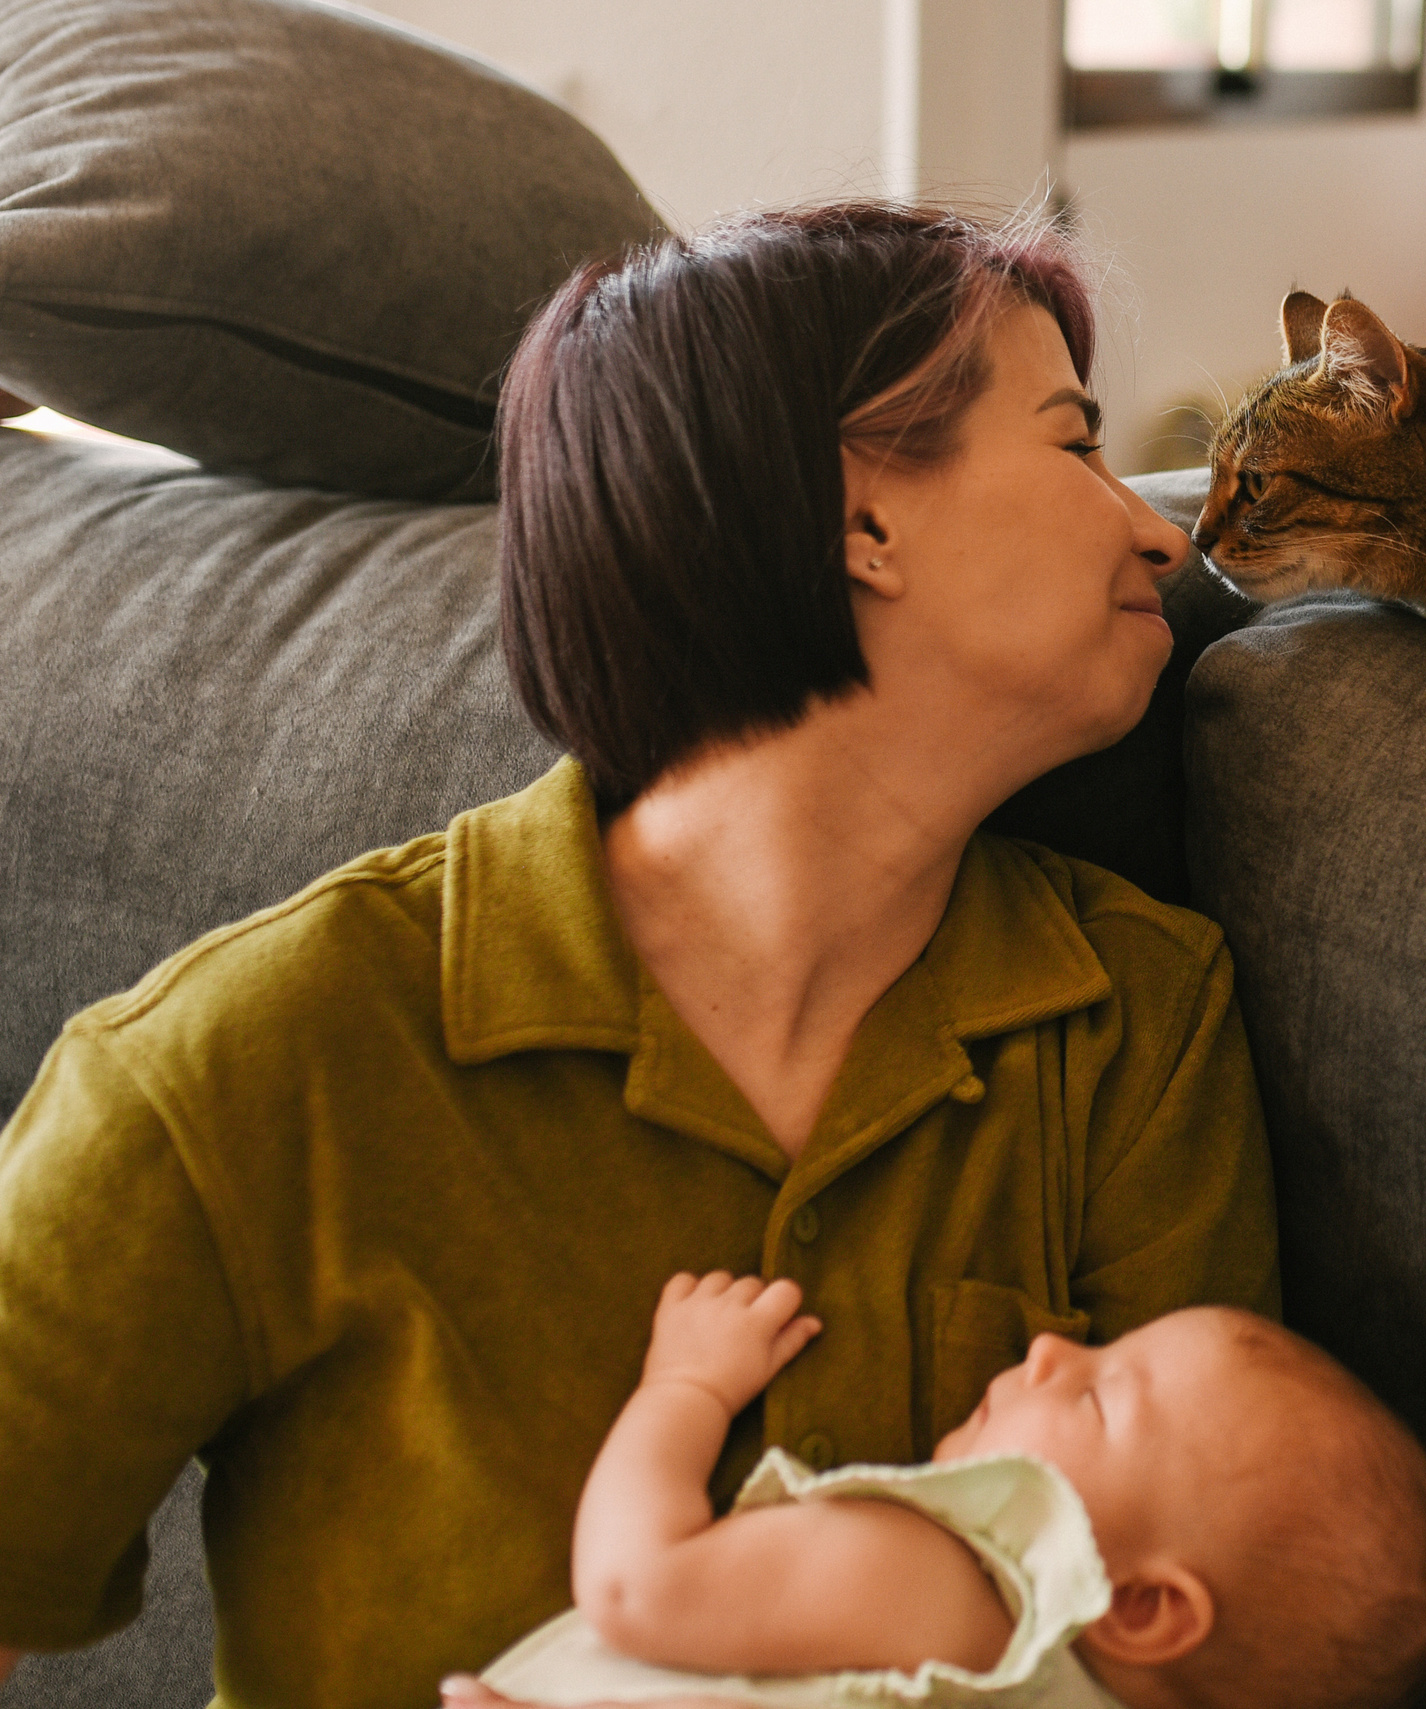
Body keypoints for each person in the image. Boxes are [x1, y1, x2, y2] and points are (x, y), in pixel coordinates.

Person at [0, 204, 1280, 1709]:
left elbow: (1204, 1653)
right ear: (858, 514)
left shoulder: (1135, 1019)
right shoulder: (253, 1053)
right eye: (1074, 445)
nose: (1158, 525)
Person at [443, 1274, 1426, 1709]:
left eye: (1105, 1394)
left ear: (1142, 1604)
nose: (1055, 1346)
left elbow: (637, 1584)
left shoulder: (944, 1590)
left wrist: (687, 1384)